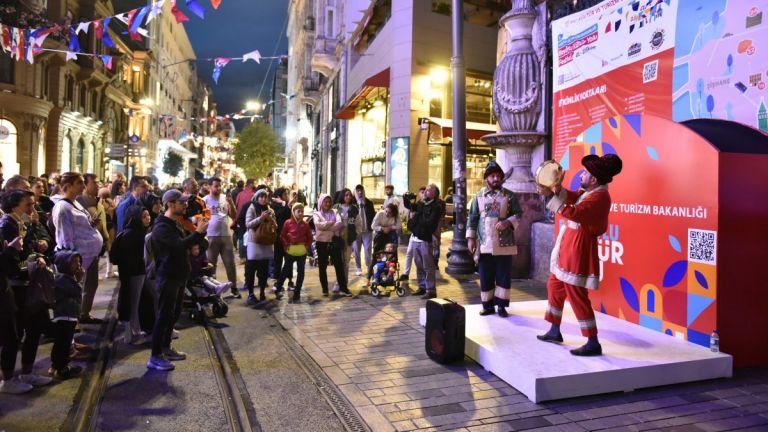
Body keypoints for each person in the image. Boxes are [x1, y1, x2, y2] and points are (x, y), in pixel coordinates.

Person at [536, 154, 623, 356]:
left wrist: (553, 198)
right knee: (555, 285)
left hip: (579, 248)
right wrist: (557, 189)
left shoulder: (600, 197)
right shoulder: (590, 192)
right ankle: (554, 330)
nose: (582, 175)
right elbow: (574, 196)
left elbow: (575, 212)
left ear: (593, 179)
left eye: (585, 173)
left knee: (576, 295)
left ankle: (592, 341)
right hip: (570, 246)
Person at [147, 189, 208, 371]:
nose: (185, 205)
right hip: (168, 276)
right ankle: (155, 356)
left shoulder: (175, 223)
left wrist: (197, 242)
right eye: (181, 203)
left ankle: (166, 347)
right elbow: (178, 245)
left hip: (180, 275)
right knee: (164, 316)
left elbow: (185, 245)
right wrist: (198, 233)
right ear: (170, 204)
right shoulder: (162, 227)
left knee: (173, 315)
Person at [0, 190, 53, 391]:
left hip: (27, 284)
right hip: (15, 288)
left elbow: (28, 249)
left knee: (35, 328)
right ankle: (8, 378)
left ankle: (27, 372)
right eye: (28, 205)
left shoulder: (23, 222)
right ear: (15, 206)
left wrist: (38, 253)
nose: (32, 208)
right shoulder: (7, 226)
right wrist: (31, 263)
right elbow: (11, 265)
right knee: (13, 334)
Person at [467, 161, 523, 317]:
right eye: (492, 176)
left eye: (498, 176)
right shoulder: (478, 197)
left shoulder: (510, 196)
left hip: (504, 243)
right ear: (487, 178)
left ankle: (501, 306)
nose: (496, 179)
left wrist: (507, 222)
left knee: (503, 275)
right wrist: (470, 239)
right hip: (484, 243)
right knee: (485, 276)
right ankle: (488, 305)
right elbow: (472, 218)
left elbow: (519, 214)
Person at [51, 173, 104, 324]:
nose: (83, 186)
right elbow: (64, 237)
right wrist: (73, 261)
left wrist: (91, 224)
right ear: (68, 186)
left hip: (88, 255)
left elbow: (80, 225)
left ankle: (80, 318)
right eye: (79, 183)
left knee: (85, 289)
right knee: (72, 295)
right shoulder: (62, 208)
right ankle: (71, 332)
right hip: (77, 258)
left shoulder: (76, 203)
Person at [110, 205, 152, 344]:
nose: (148, 218)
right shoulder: (136, 235)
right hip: (135, 273)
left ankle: (134, 330)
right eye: (144, 216)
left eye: (148, 215)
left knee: (132, 301)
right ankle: (133, 332)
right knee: (134, 302)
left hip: (130, 273)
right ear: (136, 218)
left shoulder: (127, 232)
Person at [49, 250, 85, 379]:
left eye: (79, 261)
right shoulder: (62, 278)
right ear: (65, 264)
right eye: (74, 262)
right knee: (63, 343)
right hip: (64, 316)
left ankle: (58, 365)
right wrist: (80, 280)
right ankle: (62, 368)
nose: (78, 264)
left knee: (64, 341)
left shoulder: (68, 277)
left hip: (69, 316)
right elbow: (76, 291)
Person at [404, 184, 443, 299]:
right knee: (419, 264)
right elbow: (411, 207)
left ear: (434, 194)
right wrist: (405, 198)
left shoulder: (436, 207)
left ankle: (431, 290)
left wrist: (417, 218)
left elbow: (430, 223)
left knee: (428, 266)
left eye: (428, 190)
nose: (425, 191)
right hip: (416, 238)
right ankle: (422, 287)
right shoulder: (421, 203)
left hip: (425, 240)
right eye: (425, 189)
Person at [203, 177, 240, 298]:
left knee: (230, 263)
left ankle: (234, 288)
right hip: (211, 235)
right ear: (209, 187)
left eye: (220, 186)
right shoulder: (204, 200)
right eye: (216, 186)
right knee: (210, 264)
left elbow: (234, 216)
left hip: (226, 235)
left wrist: (231, 203)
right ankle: (212, 290)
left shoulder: (225, 198)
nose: (219, 188)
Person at [313, 194, 351, 297]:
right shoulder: (316, 214)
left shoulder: (335, 212)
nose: (328, 204)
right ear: (321, 202)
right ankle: (325, 289)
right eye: (325, 202)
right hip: (321, 243)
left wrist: (325, 226)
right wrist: (331, 223)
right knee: (322, 266)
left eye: (329, 202)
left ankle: (344, 288)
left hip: (334, 242)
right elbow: (318, 225)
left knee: (339, 266)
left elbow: (339, 223)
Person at [244, 189, 276, 305]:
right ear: (257, 198)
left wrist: (270, 218)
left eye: (265, 197)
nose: (263, 199)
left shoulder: (270, 210)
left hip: (266, 243)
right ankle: (251, 293)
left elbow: (275, 225)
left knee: (263, 270)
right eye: (261, 197)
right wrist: (260, 218)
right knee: (251, 269)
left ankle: (262, 291)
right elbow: (248, 224)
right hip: (254, 243)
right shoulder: (252, 208)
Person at [277, 203, 313, 303]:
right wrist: (286, 246)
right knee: (285, 271)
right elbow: (282, 236)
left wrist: (306, 246)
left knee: (301, 273)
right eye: (299, 211)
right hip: (290, 252)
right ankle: (278, 287)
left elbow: (310, 237)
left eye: (302, 211)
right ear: (293, 212)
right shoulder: (287, 223)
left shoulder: (305, 224)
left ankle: (297, 291)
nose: (301, 213)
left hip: (302, 252)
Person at [333, 188, 359, 290]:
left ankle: (344, 283)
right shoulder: (336, 208)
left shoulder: (354, 208)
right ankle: (337, 283)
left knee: (346, 262)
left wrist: (355, 233)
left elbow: (358, 223)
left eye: (350, 195)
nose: (348, 197)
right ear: (342, 196)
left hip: (349, 239)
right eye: (346, 195)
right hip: (337, 238)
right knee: (338, 262)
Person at [400, 187, 426, 281]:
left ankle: (424, 280)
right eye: (422, 192)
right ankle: (406, 273)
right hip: (414, 233)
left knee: (421, 258)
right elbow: (409, 206)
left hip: (422, 235)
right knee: (409, 253)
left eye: (425, 192)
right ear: (419, 194)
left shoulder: (427, 204)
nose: (423, 194)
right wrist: (404, 197)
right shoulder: (418, 203)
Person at [353, 184, 375, 277]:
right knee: (356, 250)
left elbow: (373, 216)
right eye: (357, 190)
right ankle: (358, 267)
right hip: (356, 232)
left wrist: (372, 227)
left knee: (367, 250)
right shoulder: (353, 203)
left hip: (367, 231)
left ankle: (369, 267)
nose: (360, 192)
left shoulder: (369, 203)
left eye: (361, 190)